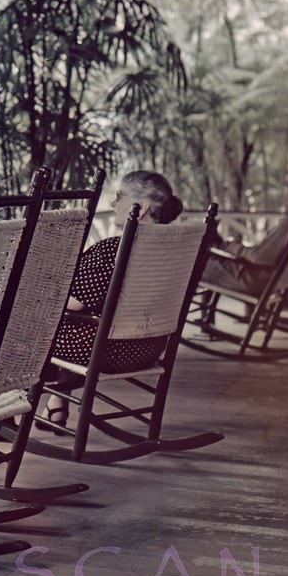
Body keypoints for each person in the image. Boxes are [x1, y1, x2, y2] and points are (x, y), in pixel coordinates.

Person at [42, 169, 184, 430]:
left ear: (140, 208)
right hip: (148, 349)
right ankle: (57, 403)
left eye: (119, 196)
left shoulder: (114, 250)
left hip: (105, 351)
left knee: (21, 329)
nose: (111, 203)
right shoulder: (176, 253)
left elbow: (71, 304)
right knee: (85, 322)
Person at [201, 173, 288, 296]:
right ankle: (207, 314)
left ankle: (198, 316)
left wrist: (232, 247)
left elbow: (259, 257)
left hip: (254, 280)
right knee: (211, 254)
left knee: (198, 263)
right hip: (267, 279)